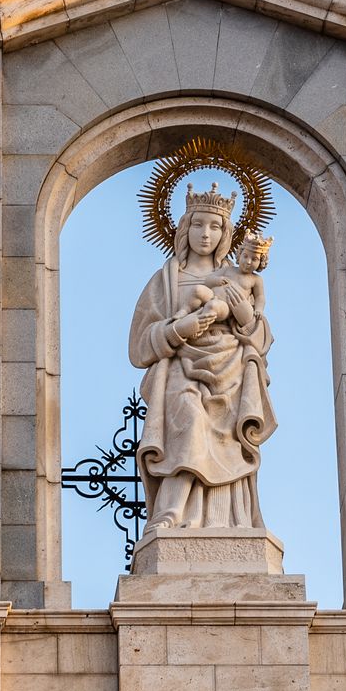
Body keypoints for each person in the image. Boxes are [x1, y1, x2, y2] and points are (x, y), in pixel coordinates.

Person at [128, 185, 277, 532]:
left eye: (215, 226)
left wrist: (245, 316)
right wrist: (182, 327)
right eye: (198, 225)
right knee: (191, 423)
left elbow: (261, 338)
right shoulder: (166, 280)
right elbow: (139, 345)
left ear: (226, 234)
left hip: (231, 372)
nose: (206, 234)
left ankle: (229, 524)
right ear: (185, 228)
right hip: (181, 369)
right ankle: (170, 515)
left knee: (226, 443)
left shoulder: (240, 277)